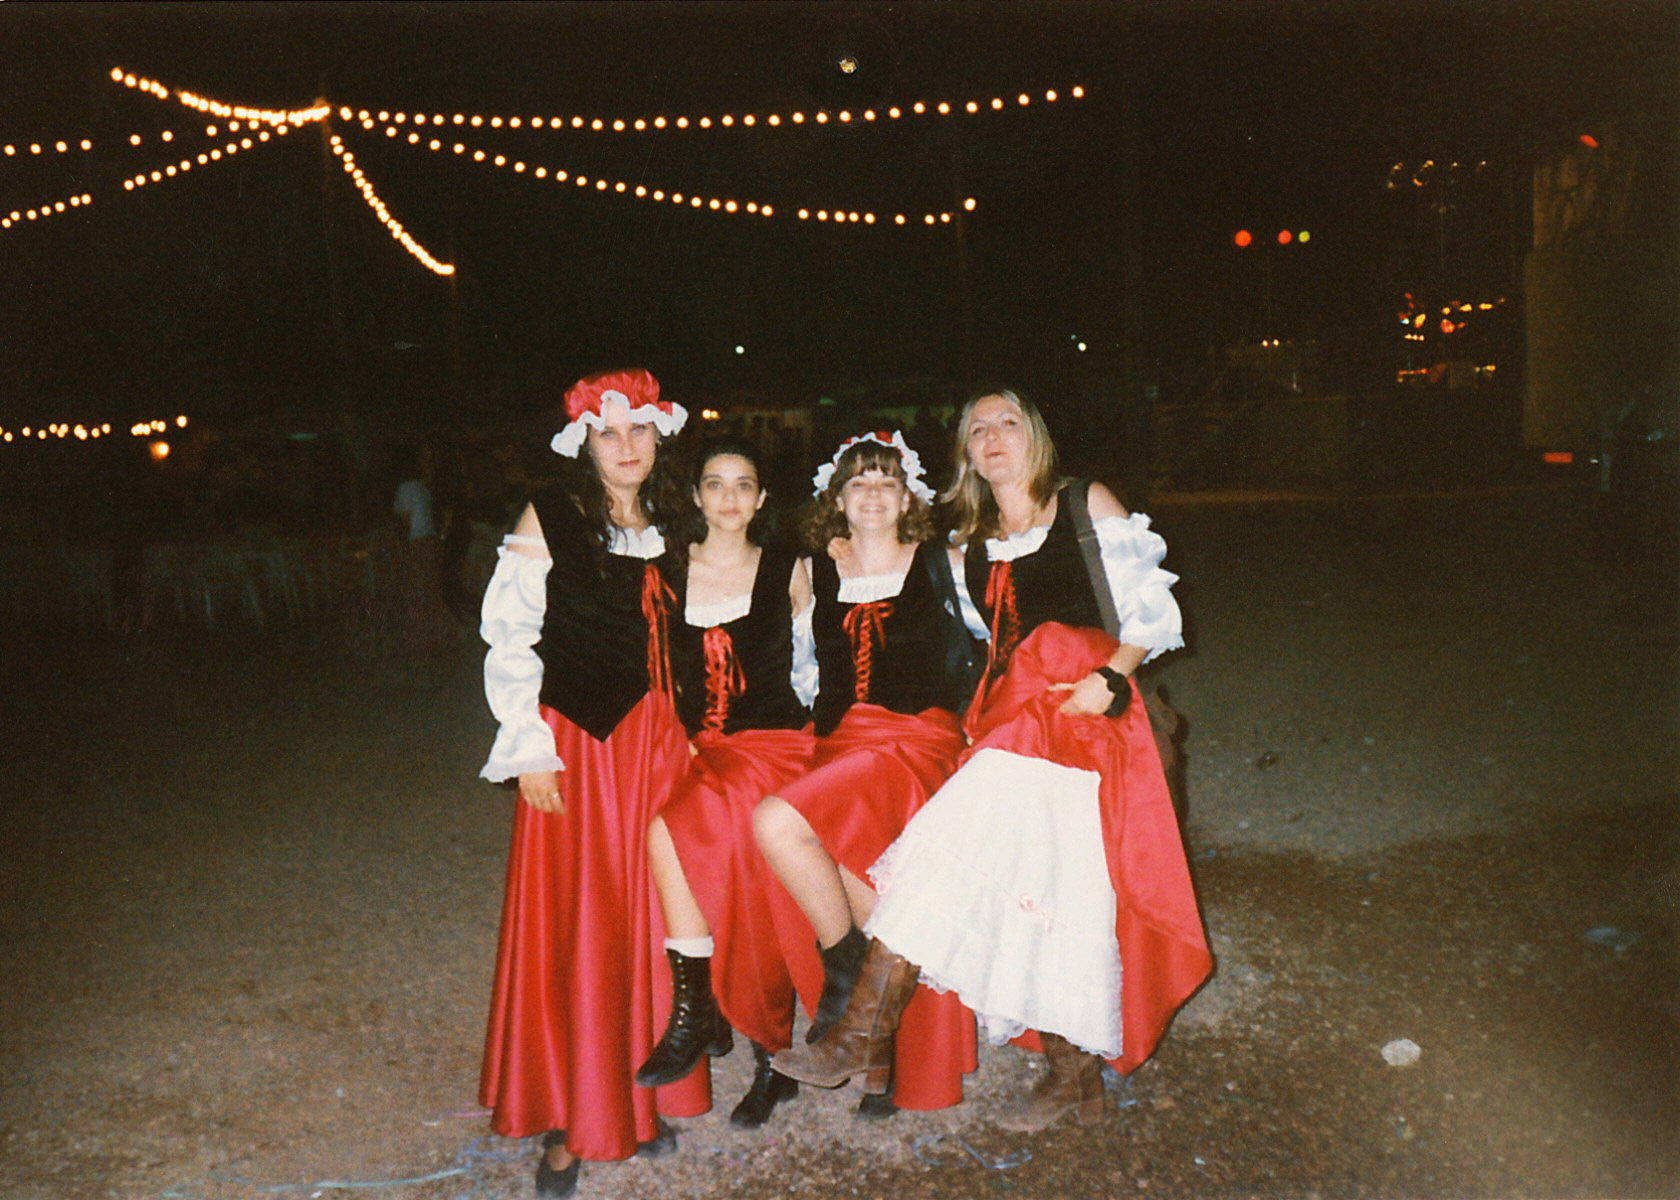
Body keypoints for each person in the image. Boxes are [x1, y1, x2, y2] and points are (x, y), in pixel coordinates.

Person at [774, 388, 1210, 1134]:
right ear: (967, 456)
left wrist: (1112, 677)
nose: (994, 436)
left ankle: (863, 1031)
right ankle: (1071, 1075)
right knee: (1048, 889)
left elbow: (1150, 607)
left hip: (1089, 713)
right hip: (1016, 721)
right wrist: (844, 546)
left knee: (959, 851)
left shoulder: (1083, 503)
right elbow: (937, 613)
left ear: (1034, 433)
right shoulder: (969, 542)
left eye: (1008, 422)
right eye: (978, 430)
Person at [476, 368, 702, 1199]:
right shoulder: (551, 515)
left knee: (654, 917)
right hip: (583, 743)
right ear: (584, 444)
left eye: (640, 429)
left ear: (661, 438)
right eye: (609, 432)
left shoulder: (679, 520)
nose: (627, 446)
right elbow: (509, 634)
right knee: (585, 919)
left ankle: (638, 1097)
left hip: (662, 748)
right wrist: (528, 747)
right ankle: (572, 1115)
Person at [755, 431, 978, 1114]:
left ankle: (845, 973)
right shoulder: (812, 570)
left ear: (908, 497)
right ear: (838, 499)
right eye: (858, 482)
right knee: (871, 886)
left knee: (777, 822)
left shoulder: (946, 562)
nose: (873, 494)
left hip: (914, 743)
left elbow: (996, 643)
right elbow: (798, 665)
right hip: (841, 743)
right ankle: (884, 1056)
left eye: (887, 481)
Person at [633, 440, 817, 1129]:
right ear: (696, 496)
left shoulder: (790, 570)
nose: (730, 497)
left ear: (763, 498)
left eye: (745, 484)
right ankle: (718, 1018)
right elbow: (650, 668)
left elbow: (812, 670)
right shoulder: (666, 572)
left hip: (774, 745)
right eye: (716, 484)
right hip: (701, 749)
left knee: (684, 836)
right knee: (708, 851)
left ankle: (726, 1028)